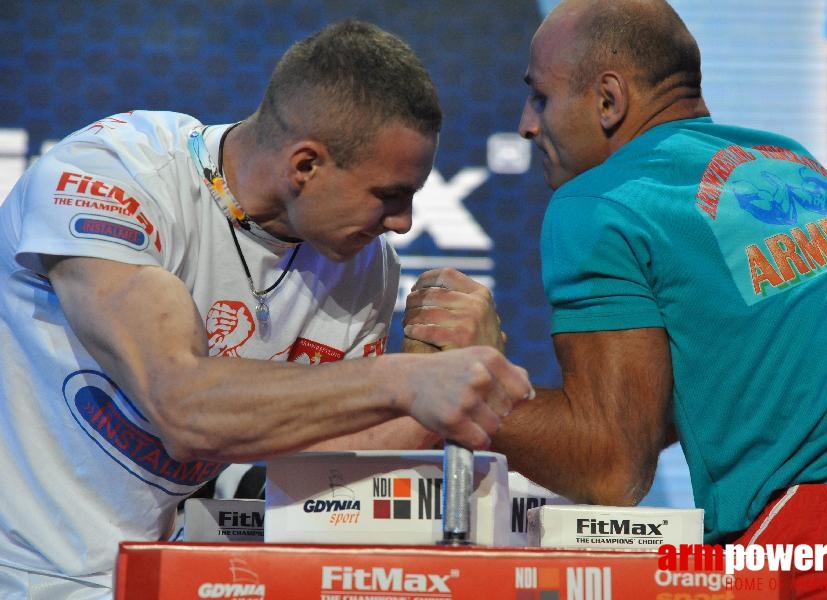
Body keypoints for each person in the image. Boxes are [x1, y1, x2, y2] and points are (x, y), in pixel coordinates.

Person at [0, 20, 533, 598]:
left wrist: (447, 385)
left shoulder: (364, 267)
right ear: (304, 165)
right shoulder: (114, 179)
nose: (403, 222)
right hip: (25, 575)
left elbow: (318, 462)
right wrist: (406, 378)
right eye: (389, 195)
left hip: (174, 576)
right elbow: (182, 408)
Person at [405, 0, 827, 594]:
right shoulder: (793, 163)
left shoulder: (603, 199)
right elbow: (720, 389)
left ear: (609, 101)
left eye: (540, 97)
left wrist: (456, 381)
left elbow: (612, 465)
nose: (526, 124)